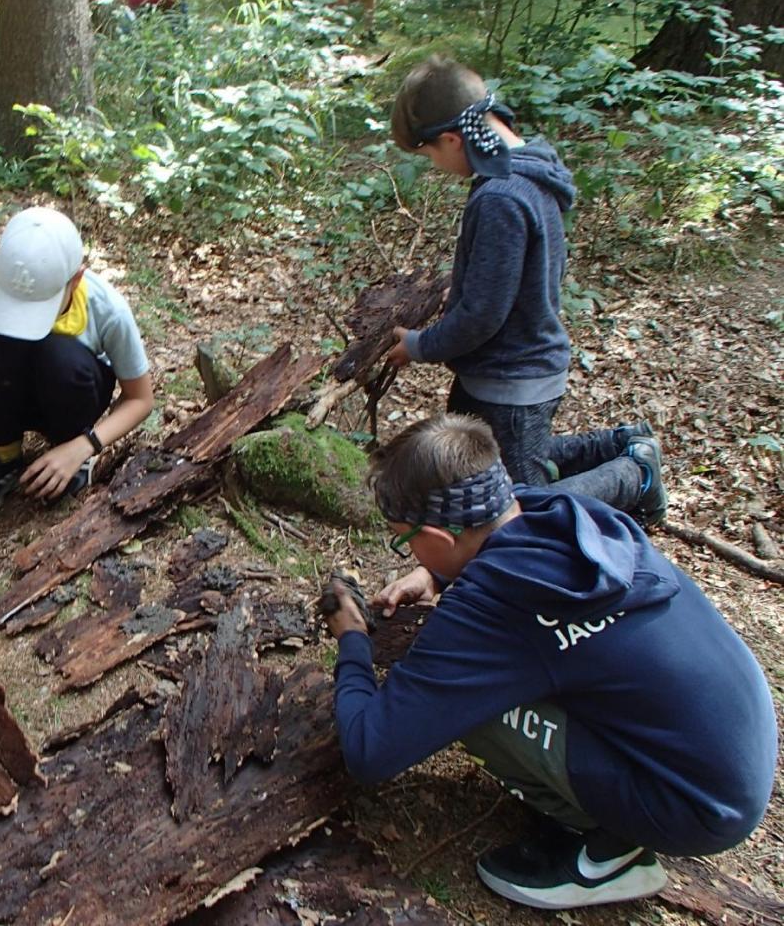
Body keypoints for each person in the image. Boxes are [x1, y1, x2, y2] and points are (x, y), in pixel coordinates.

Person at [323, 413, 776, 911]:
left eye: (402, 538)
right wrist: (435, 574)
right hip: (731, 752)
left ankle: (605, 855)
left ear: (441, 535)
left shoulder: (495, 606)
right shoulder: (561, 513)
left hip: (695, 807)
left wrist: (354, 640)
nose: (404, 548)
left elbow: (369, 748)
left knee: (477, 713)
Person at [385, 55, 667, 527]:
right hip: (503, 370)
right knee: (479, 470)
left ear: (453, 138)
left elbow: (481, 315)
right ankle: (623, 441)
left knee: (521, 509)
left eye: (431, 154)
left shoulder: (500, 197)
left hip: (512, 378)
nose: (435, 166)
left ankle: (634, 473)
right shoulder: (532, 168)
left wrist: (418, 345)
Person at [0, 207, 154, 528]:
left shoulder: (107, 310)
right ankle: (3, 455)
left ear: (76, 279)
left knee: (60, 354)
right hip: (13, 392)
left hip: (73, 394)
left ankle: (68, 459)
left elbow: (140, 399)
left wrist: (84, 445)